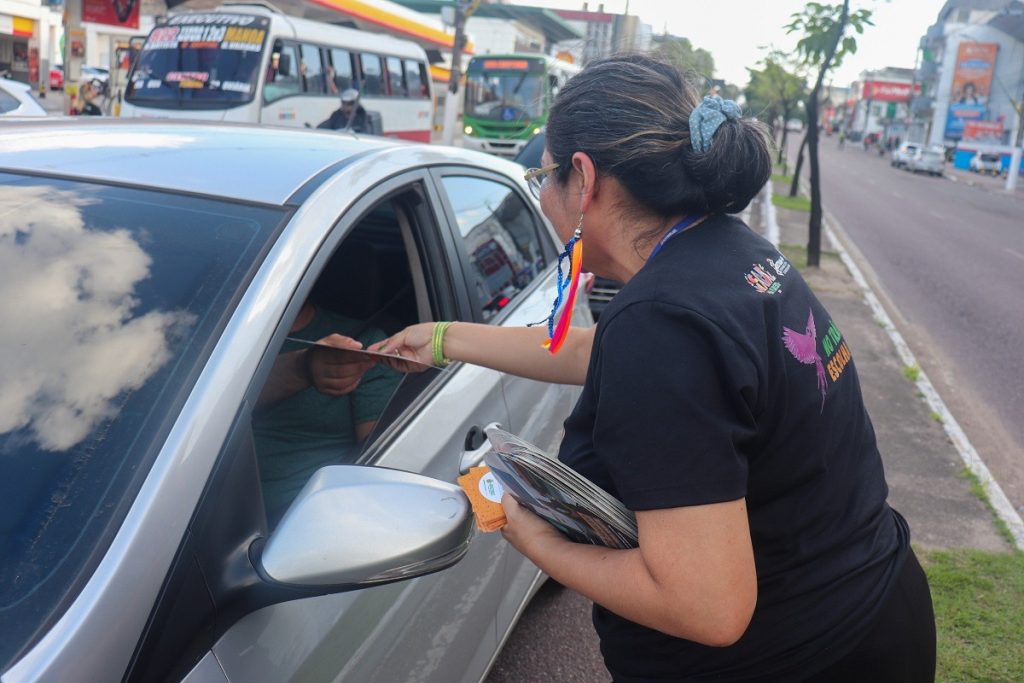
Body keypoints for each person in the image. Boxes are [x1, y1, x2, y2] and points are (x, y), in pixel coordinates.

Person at [376, 54, 935, 682]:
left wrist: (535, 540)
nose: (542, 195)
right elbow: (594, 351)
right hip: (871, 606)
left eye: (545, 176)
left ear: (584, 178)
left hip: (797, 657)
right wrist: (444, 339)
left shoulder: (664, 323)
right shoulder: (722, 251)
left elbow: (708, 608)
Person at [254, 299, 400, 525]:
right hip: (206, 508)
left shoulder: (363, 347)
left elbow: (381, 469)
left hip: (302, 520)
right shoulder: (213, 340)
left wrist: (306, 367)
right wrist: (303, 367)